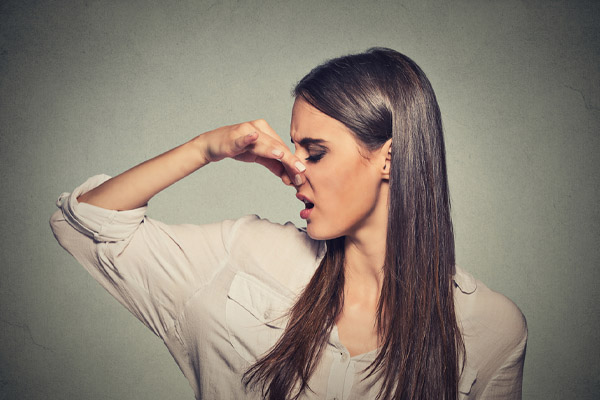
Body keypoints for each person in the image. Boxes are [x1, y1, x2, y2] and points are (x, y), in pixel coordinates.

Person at [50, 48, 527, 400]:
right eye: (295, 149)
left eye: (314, 152)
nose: (295, 169)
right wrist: (204, 148)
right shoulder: (243, 253)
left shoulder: (492, 328)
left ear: (390, 156)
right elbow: (85, 222)